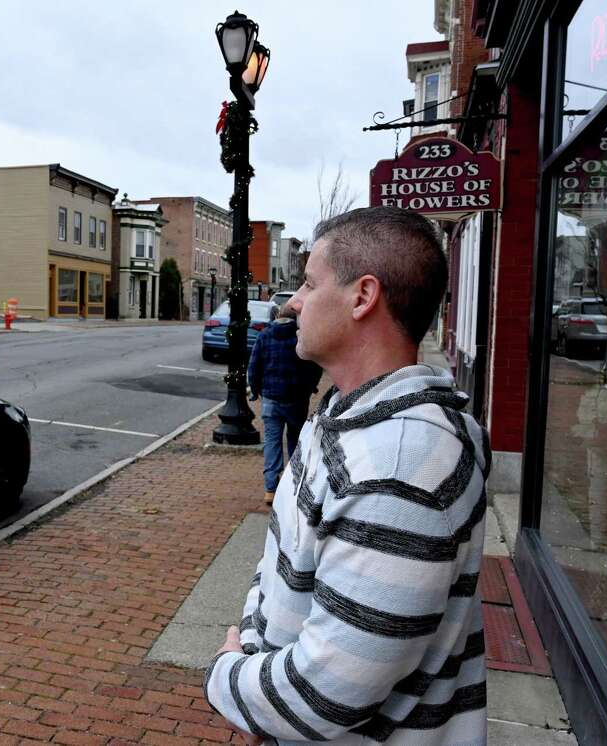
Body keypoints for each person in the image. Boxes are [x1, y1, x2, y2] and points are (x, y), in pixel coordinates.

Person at [204, 206, 490, 744]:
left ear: (363, 297)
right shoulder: (342, 416)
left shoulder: (399, 470)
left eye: (310, 283)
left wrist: (228, 677)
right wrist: (255, 657)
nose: (294, 301)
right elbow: (278, 564)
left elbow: (325, 695)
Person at [247, 304, 323, 506]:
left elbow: (254, 366)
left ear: (278, 316)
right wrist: (311, 387)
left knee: (272, 442)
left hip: (271, 398)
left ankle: (270, 489)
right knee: (296, 441)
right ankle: (293, 484)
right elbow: (314, 367)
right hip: (297, 399)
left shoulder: (265, 336)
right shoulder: (300, 337)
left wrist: (255, 390)